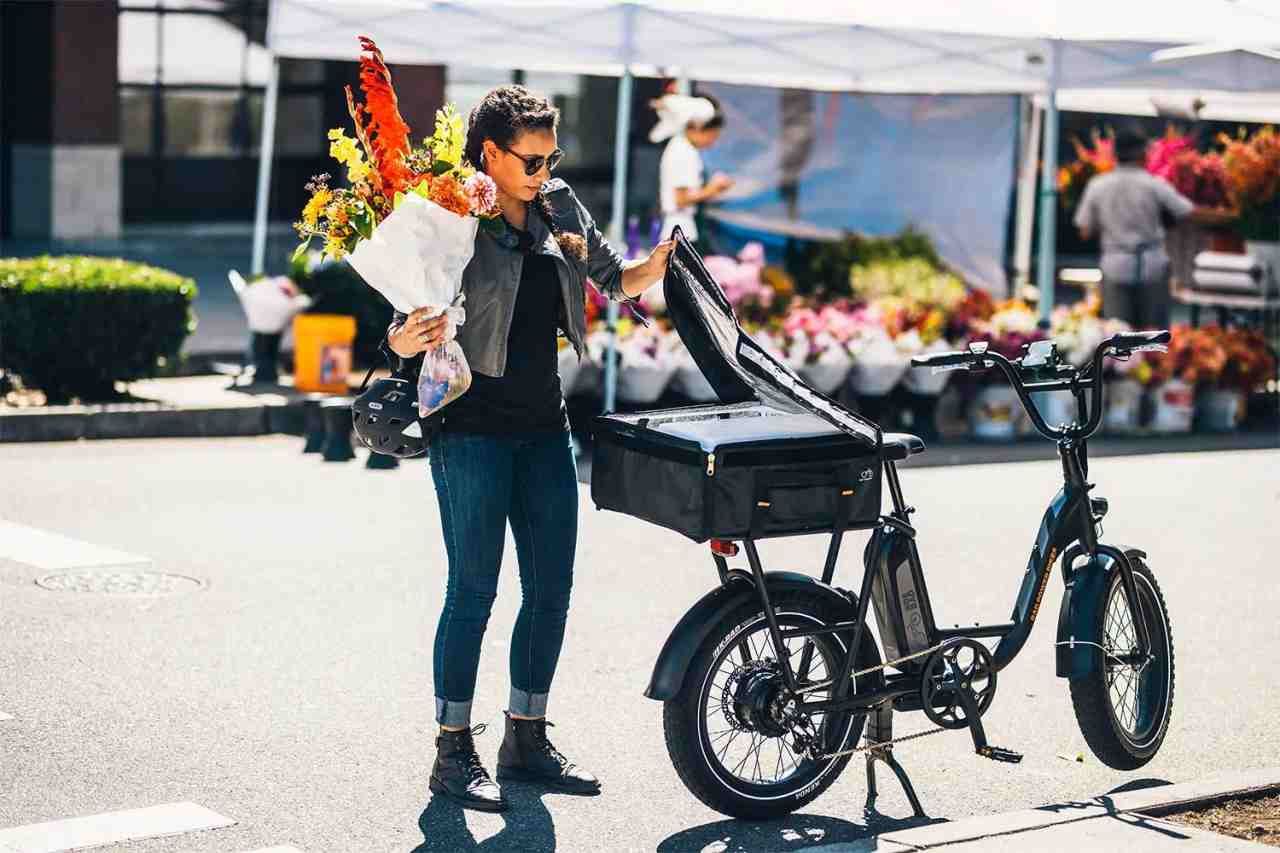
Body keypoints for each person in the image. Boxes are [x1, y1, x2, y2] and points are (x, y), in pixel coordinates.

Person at [386, 85, 674, 813]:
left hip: (545, 426)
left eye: (552, 157)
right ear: (490, 153)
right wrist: (404, 338)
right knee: (473, 592)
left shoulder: (562, 207)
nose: (545, 170)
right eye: (531, 159)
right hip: (470, 428)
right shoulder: (452, 210)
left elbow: (616, 280)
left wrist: (669, 262)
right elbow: (399, 322)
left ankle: (527, 736)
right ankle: (452, 750)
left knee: (550, 590)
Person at [1073, 129, 1228, 328]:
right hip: (1151, 266)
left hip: (1115, 265)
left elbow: (1084, 231)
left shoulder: (1098, 185)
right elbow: (1190, 213)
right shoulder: (1154, 185)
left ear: (1115, 155)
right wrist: (1233, 217)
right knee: (1153, 338)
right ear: (1143, 155)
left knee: (1117, 337)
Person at [652, 93, 734, 246]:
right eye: (712, 136)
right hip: (679, 228)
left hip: (681, 227)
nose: (713, 142)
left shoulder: (683, 148)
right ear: (697, 129)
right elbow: (681, 199)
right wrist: (713, 189)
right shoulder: (683, 151)